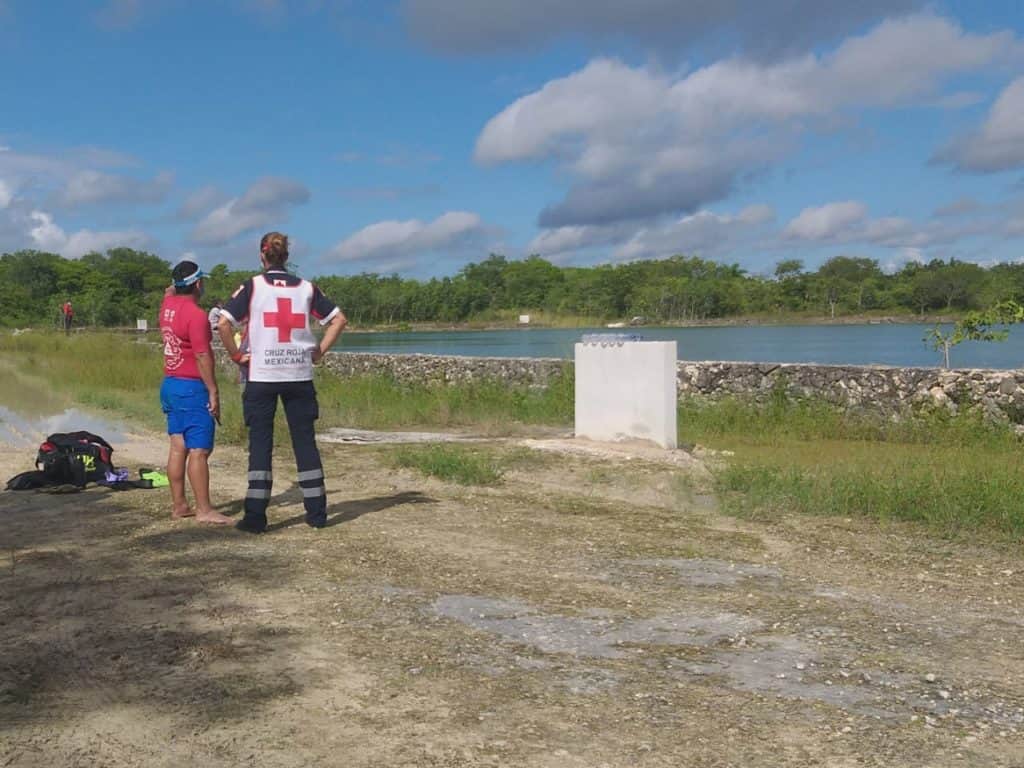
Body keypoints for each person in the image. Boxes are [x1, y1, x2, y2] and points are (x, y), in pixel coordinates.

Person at [218, 232, 347, 533]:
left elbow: (223, 323)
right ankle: (317, 514)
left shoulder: (252, 287)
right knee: (305, 442)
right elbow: (338, 320)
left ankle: (255, 517)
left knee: (260, 444)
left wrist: (237, 355)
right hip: (299, 375)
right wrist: (319, 351)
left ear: (262, 256)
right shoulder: (306, 288)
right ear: (287, 256)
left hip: (262, 375)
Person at [159, 260, 233, 525]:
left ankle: (179, 505)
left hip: (170, 384)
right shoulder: (196, 315)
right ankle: (204, 509)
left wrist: (175, 285)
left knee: (178, 445)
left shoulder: (167, 306)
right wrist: (213, 391)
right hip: (191, 387)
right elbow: (202, 355)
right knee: (199, 450)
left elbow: (168, 291)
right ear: (198, 284)